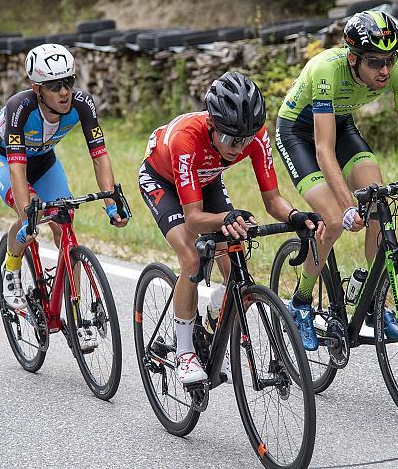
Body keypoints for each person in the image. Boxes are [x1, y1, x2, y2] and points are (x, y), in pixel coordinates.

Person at [275, 11, 398, 350]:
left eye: (389, 60)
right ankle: (299, 302)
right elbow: (323, 149)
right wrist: (346, 206)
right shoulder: (326, 70)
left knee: (379, 203)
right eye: (375, 62)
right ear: (353, 58)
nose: (385, 71)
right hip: (299, 135)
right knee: (332, 219)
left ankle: (373, 301)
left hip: (340, 124)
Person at [138, 71, 324, 385]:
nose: (238, 148)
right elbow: (194, 219)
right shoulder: (187, 138)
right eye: (229, 139)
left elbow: (272, 199)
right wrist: (223, 220)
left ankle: (216, 319)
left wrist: (294, 216)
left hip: (207, 180)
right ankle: (184, 353)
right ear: (212, 125)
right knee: (191, 259)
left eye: (246, 139)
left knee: (235, 261)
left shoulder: (255, 135)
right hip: (163, 183)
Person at [0, 44, 128, 348]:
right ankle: (11, 268)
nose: (64, 92)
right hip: (6, 159)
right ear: (37, 89)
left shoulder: (82, 104)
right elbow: (17, 170)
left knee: (65, 225)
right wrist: (28, 212)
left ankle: (76, 316)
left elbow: (99, 156)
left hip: (45, 160)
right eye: (53, 86)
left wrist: (110, 203)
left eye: (69, 82)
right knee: (28, 217)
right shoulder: (20, 108)